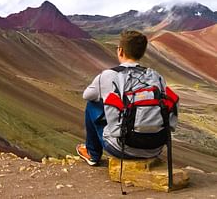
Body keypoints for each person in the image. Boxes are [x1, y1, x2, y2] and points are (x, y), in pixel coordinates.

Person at [76, 30, 178, 166]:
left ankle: (93, 154)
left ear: (120, 51)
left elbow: (87, 95)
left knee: (92, 104)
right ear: (142, 52)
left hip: (122, 149)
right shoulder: (156, 76)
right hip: (156, 148)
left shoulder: (108, 75)